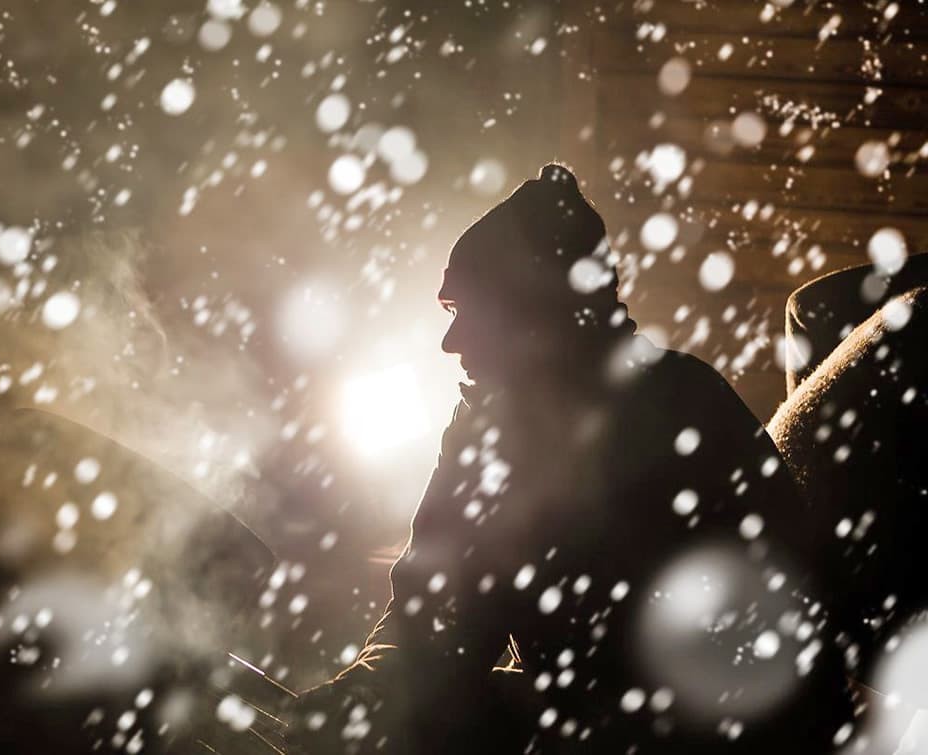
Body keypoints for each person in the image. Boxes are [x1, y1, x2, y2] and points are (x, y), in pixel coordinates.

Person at [285, 164, 853, 753]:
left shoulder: (680, 413)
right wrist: (361, 697)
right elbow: (434, 614)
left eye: (465, 311)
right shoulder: (496, 427)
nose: (449, 343)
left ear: (533, 313)